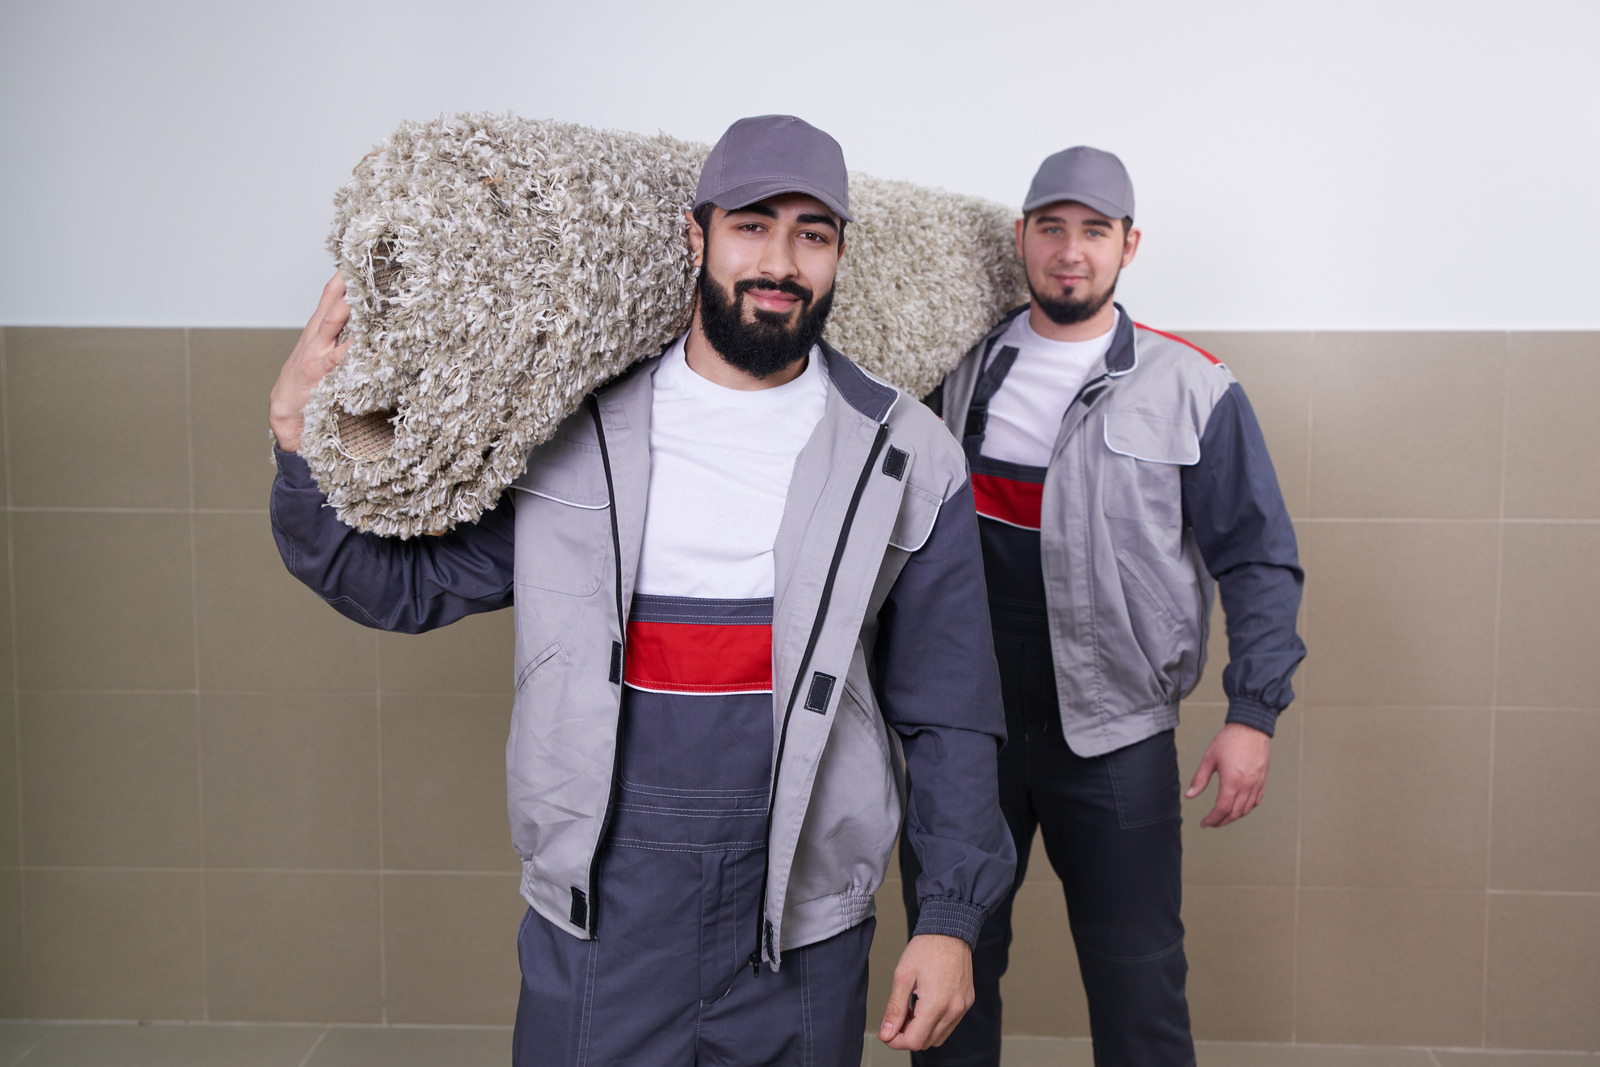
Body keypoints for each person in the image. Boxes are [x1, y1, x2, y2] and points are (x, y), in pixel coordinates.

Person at [267, 115, 1015, 1064]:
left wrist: (949, 917)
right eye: (751, 225)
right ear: (696, 237)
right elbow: (398, 587)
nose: (779, 261)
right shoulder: (570, 442)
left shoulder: (906, 455)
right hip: (602, 922)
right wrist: (297, 434)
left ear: (838, 256)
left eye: (812, 234)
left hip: (803, 921)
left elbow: (948, 708)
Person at [901, 146, 1306, 1066]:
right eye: (1052, 228)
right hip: (969, 740)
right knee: (950, 983)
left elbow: (1259, 558)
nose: (1070, 251)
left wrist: (1254, 713)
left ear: (1129, 245)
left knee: (1141, 988)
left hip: (1116, 737)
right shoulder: (959, 368)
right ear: (1022, 240)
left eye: (1093, 231)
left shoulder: (1193, 386)